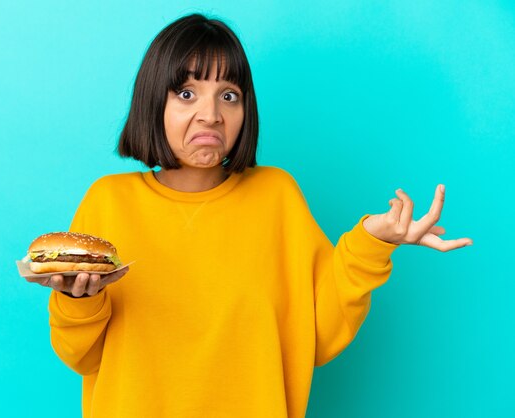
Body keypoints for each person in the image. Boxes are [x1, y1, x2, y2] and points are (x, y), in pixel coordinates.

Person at [26, 13, 472, 418]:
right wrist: (79, 302)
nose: (211, 115)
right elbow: (80, 356)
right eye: (186, 93)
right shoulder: (108, 202)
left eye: (229, 95)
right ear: (153, 103)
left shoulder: (276, 196)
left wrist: (373, 243)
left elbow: (319, 335)